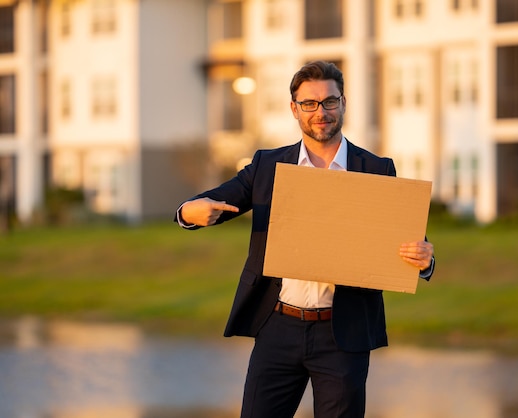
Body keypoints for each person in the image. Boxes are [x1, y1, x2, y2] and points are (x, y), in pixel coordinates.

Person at [175, 60, 435, 418]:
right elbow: (215, 199)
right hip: (277, 326)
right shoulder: (268, 166)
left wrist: (424, 261)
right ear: (294, 109)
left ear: (343, 103)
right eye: (310, 104)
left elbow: (410, 242)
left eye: (329, 101)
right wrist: (189, 212)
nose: (321, 112)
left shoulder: (376, 169)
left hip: (343, 333)